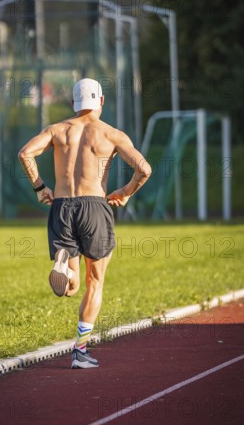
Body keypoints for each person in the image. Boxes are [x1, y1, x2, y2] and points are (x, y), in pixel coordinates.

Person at [18, 78, 152, 369]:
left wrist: (41, 187)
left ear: (74, 104)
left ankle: (64, 263)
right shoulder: (111, 134)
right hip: (94, 207)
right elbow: (144, 168)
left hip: (62, 207)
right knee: (95, 281)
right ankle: (79, 353)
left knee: (72, 287)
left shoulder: (57, 130)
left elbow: (25, 154)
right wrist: (125, 193)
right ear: (101, 102)